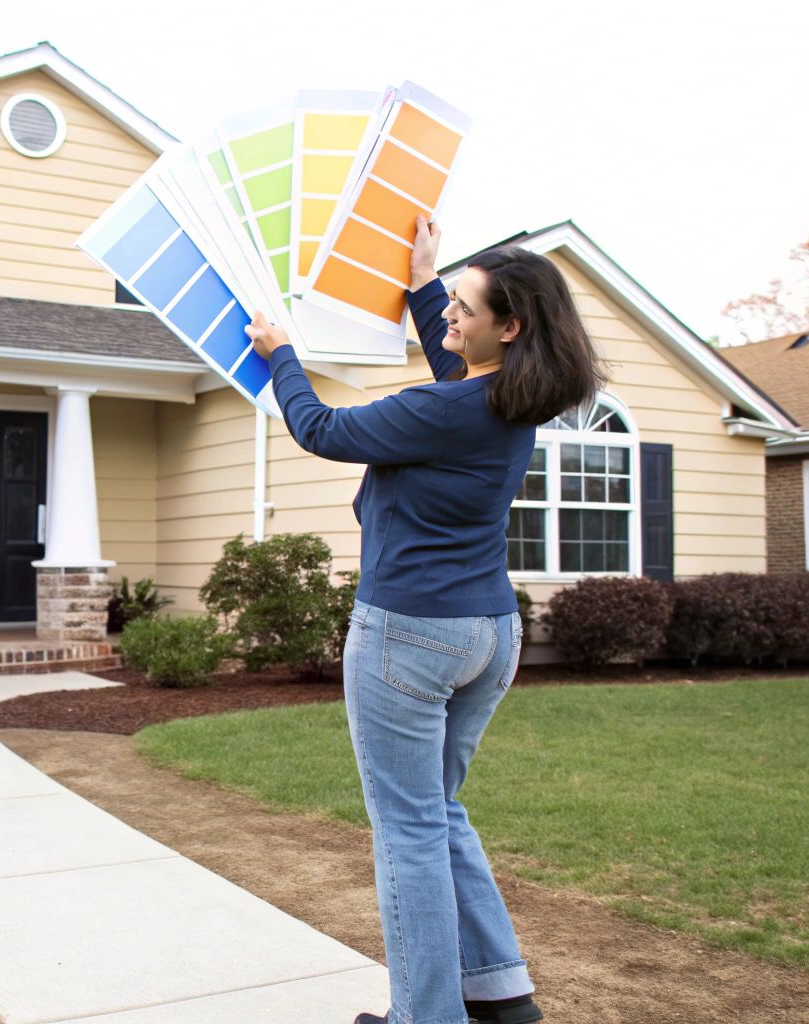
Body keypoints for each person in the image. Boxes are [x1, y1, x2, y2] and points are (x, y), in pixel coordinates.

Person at [244, 215, 607, 1024]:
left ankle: (428, 1018)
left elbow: (321, 428)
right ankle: (501, 995)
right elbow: (456, 366)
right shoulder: (513, 396)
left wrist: (281, 356)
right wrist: (423, 281)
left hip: (408, 633)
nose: (449, 317)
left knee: (407, 830)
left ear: (509, 327)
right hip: (489, 633)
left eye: (462, 308)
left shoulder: (444, 411)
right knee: (439, 812)